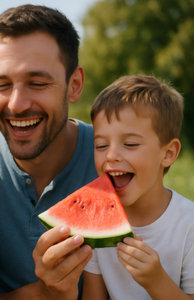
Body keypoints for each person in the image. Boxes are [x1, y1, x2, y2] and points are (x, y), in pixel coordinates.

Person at [0, 4, 97, 299]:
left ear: (74, 85)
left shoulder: (113, 161)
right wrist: (45, 293)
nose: (17, 104)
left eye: (37, 83)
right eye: (2, 84)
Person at [82, 74, 194, 299]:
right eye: (101, 145)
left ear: (168, 153)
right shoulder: (95, 222)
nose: (111, 155)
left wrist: (157, 281)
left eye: (130, 144)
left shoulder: (188, 224)